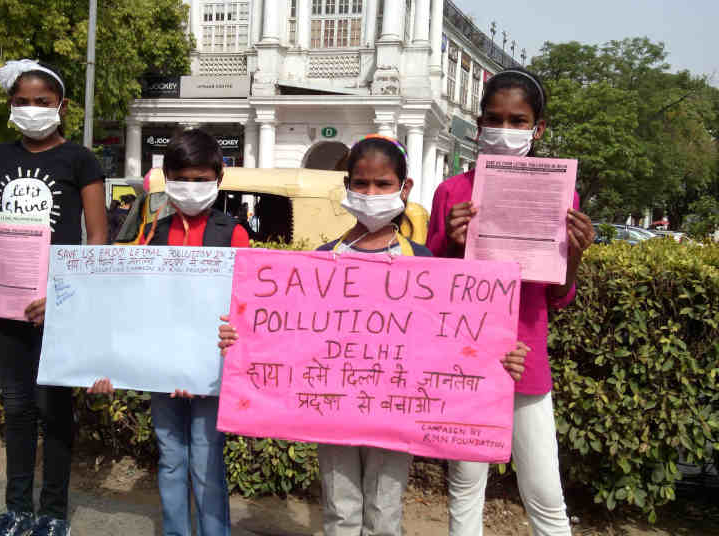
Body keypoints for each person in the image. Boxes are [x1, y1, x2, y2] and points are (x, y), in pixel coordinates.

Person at [218, 134, 528, 536]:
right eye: (360, 184)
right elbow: (292, 334)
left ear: (405, 188)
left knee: (385, 513)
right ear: (345, 187)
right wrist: (243, 339)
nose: (370, 193)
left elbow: (455, 337)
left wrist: (498, 357)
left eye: (382, 184)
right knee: (340, 510)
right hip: (332, 410)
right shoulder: (322, 261)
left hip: (396, 413)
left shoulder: (425, 264)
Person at [426, 68, 596, 536]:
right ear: (479, 123)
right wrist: (452, 246)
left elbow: (559, 298)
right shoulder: (451, 193)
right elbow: (428, 294)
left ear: (538, 128)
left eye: (518, 120)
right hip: (465, 361)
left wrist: (574, 257)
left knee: (544, 492)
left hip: (526, 359)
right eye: (495, 119)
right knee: (465, 487)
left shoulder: (560, 194)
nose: (506, 129)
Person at [0, 59, 108, 536]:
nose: (31, 109)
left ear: (61, 107)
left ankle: (53, 513)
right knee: (18, 408)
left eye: (42, 102)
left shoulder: (80, 160)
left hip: (57, 306)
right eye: (21, 102)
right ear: (10, 106)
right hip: (5, 307)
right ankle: (17, 508)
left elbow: (97, 240)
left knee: (54, 410)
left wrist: (68, 297)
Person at [89, 129, 249, 536]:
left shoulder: (233, 234)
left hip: (210, 374)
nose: (191, 188)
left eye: (200, 179)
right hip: (160, 372)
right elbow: (133, 305)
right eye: (182, 179)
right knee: (172, 458)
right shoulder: (151, 233)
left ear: (219, 177)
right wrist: (106, 360)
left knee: (206, 463)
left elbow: (245, 310)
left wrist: (195, 367)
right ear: (166, 177)